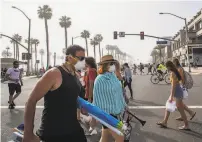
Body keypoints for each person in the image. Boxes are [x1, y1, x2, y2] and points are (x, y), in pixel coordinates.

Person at [23, 45, 87, 142]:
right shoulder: (54, 74)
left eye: (84, 58)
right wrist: (28, 134)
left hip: (74, 130)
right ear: (70, 58)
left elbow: (74, 99)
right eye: (81, 58)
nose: (83, 61)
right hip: (53, 133)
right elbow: (31, 101)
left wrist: (85, 109)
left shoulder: (75, 75)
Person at [94, 55, 126, 142]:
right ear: (105, 65)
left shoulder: (113, 76)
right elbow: (97, 98)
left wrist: (124, 105)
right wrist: (99, 115)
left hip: (116, 112)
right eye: (111, 63)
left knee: (105, 136)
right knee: (120, 137)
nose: (113, 65)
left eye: (114, 63)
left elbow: (118, 93)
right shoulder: (100, 79)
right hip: (107, 114)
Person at [157, 61, 190, 130]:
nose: (166, 68)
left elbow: (173, 86)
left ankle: (186, 125)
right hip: (178, 91)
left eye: (166, 67)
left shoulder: (173, 73)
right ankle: (165, 122)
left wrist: (171, 96)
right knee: (168, 107)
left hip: (177, 92)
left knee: (180, 109)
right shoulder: (176, 71)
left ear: (169, 67)